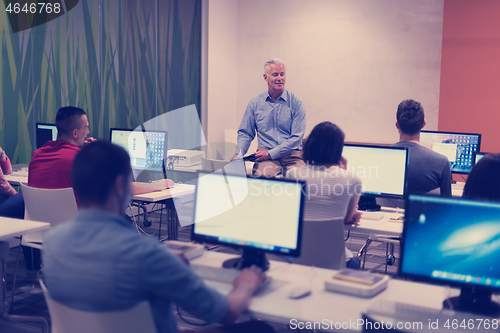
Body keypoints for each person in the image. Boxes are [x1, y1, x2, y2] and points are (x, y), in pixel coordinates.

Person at [42, 141, 273, 333]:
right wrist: (246, 284)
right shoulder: (146, 254)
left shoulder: (52, 242)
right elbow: (227, 312)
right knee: (261, 329)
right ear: (121, 186)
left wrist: (167, 264)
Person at [28, 106, 173, 194]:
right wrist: (157, 185)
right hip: (80, 231)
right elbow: (121, 188)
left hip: (42, 231)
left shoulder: (38, 155)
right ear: (75, 133)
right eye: (86, 127)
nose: (88, 131)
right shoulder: (79, 160)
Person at [287, 122, 362, 268]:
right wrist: (344, 171)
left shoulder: (291, 174)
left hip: (296, 257)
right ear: (338, 150)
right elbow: (346, 219)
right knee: (355, 263)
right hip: (335, 261)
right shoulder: (353, 179)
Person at [232, 58, 306, 177]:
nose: (280, 78)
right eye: (275, 74)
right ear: (265, 77)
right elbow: (245, 133)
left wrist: (271, 153)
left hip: (292, 155)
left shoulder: (297, 103)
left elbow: (296, 138)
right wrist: (239, 154)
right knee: (262, 179)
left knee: (299, 177)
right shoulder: (255, 102)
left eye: (282, 74)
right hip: (265, 157)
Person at [391, 99, 452, 196]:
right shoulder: (442, 162)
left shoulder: (379, 157)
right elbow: (446, 205)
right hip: (423, 211)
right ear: (424, 124)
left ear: (396, 124)